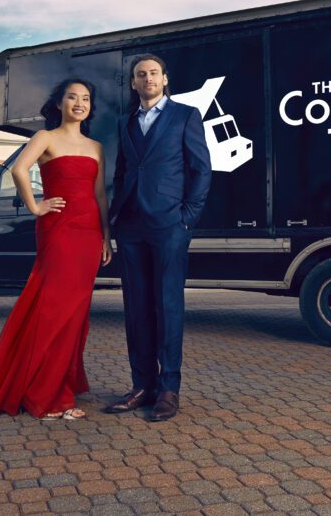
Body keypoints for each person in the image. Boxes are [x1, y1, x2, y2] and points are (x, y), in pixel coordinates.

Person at [0, 78, 113, 420]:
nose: (79, 103)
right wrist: (36, 206)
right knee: (53, 307)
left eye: (85, 98)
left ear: (90, 106)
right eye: (72, 97)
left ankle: (59, 387)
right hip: (58, 229)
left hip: (89, 232)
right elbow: (20, 169)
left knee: (76, 313)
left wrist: (106, 235)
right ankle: (44, 394)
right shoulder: (45, 138)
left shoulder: (96, 147)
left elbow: (99, 196)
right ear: (59, 103)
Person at [103, 53, 212, 422]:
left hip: (169, 225)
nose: (147, 78)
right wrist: (117, 217)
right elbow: (122, 172)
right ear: (133, 83)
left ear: (164, 79)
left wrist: (187, 218)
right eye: (140, 74)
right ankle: (141, 385)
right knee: (136, 307)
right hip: (131, 225)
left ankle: (169, 389)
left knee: (168, 306)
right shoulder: (125, 122)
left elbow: (201, 169)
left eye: (153, 73)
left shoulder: (185, 116)